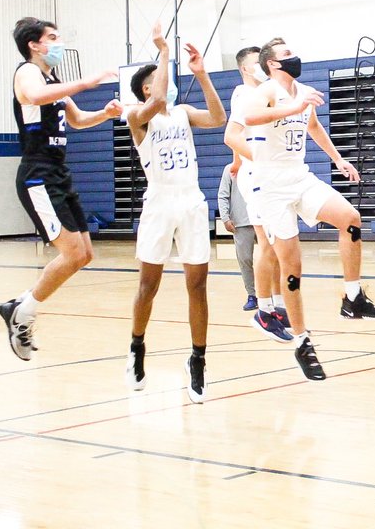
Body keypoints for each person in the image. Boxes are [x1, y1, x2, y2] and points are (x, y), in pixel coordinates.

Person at [240, 37, 375, 381]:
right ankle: (301, 340)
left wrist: (338, 160)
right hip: (272, 187)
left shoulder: (303, 91)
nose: (295, 57)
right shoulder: (265, 90)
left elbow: (314, 127)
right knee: (292, 267)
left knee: (350, 219)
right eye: (287, 55)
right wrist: (293, 108)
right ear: (273, 64)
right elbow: (250, 116)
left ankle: (353, 299)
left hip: (300, 177)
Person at [0, 17, 122, 360]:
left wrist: (106, 113)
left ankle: (19, 307)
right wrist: (85, 82)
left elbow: (79, 119)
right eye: (52, 37)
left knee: (84, 253)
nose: (58, 42)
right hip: (37, 173)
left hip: (58, 172)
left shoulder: (54, 80)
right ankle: (23, 313)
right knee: (71, 252)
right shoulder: (27, 72)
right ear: (34, 45)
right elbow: (33, 96)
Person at [124, 26, 226, 403]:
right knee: (148, 286)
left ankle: (197, 360)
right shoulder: (138, 115)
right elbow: (151, 105)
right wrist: (164, 53)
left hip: (191, 202)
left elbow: (218, 117)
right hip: (159, 203)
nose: (165, 84)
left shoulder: (182, 113)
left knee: (197, 285)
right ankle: (137, 347)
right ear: (147, 89)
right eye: (158, 81)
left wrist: (201, 74)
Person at [224, 46, 291, 344]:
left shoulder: (267, 92)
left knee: (277, 243)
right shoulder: (243, 94)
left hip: (267, 172)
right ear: (245, 69)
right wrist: (245, 161)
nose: (262, 67)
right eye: (256, 63)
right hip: (257, 174)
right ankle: (266, 310)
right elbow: (233, 134)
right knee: (267, 243)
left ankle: (276, 305)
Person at [217, 167, 257, 310]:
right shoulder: (230, 169)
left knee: (271, 259)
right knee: (245, 260)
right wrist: (225, 218)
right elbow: (222, 195)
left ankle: (272, 296)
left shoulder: (260, 161)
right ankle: (252, 295)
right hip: (241, 222)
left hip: (263, 219)